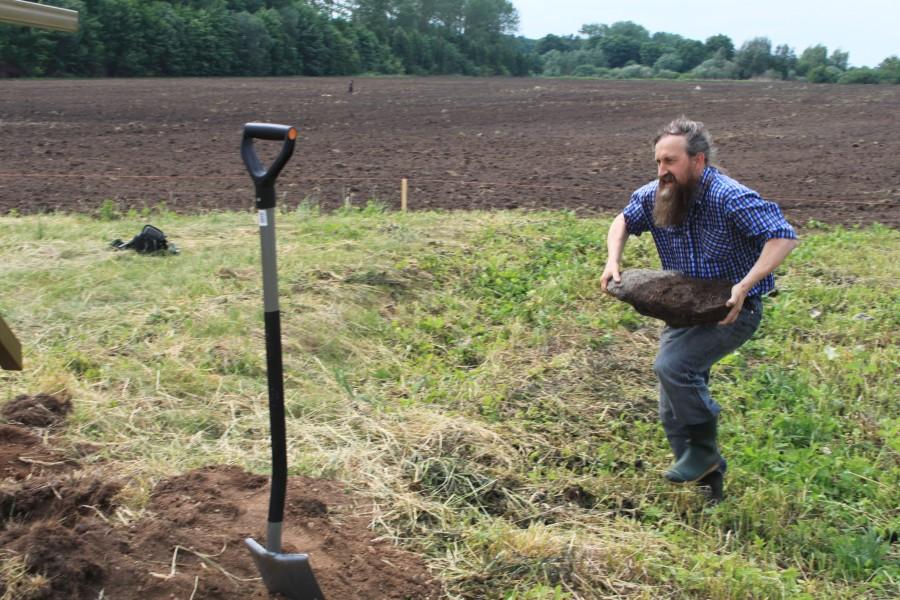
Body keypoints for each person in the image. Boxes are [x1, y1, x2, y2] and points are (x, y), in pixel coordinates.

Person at [600, 116, 799, 503]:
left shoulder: (729, 196)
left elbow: (783, 237)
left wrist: (745, 284)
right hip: (684, 311)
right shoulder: (657, 194)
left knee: (673, 368)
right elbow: (622, 220)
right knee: (671, 406)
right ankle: (709, 485)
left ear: (698, 161)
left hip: (731, 310)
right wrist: (613, 260)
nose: (663, 171)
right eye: (658, 162)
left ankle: (704, 449)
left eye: (671, 162)